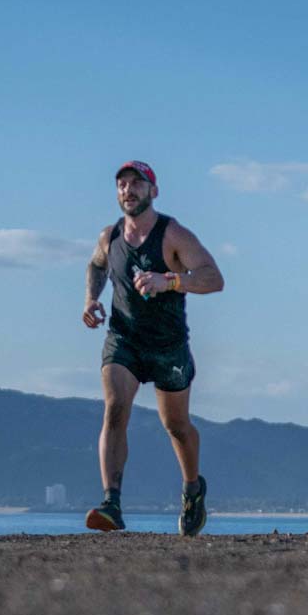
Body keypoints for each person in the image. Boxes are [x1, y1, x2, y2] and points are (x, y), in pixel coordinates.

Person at [82, 161, 225, 534]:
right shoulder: (108, 236)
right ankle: (111, 503)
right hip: (124, 339)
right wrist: (90, 299)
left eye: (136, 184)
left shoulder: (173, 234)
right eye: (122, 185)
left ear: (153, 192)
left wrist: (171, 281)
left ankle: (193, 489)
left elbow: (214, 278)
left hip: (168, 345)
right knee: (115, 407)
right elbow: (97, 266)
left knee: (175, 425)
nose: (128, 190)